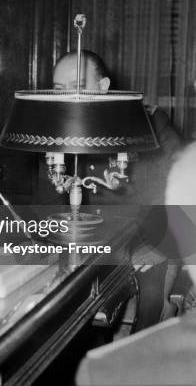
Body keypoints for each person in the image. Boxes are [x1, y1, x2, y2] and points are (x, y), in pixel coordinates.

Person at [36, 49, 184, 330]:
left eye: (78, 86)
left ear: (103, 87)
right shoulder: (54, 135)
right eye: (59, 90)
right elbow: (45, 206)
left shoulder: (151, 124)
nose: (69, 97)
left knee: (148, 302)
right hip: (90, 244)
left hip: (149, 240)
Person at [75, 142, 196, 386]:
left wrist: (161, 249)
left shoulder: (102, 372)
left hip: (150, 242)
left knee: (149, 293)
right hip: (116, 237)